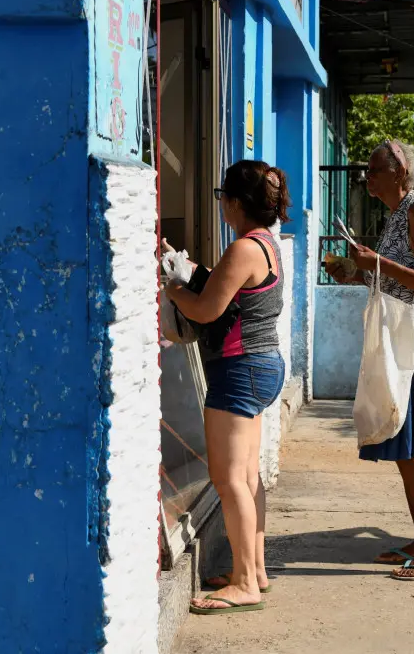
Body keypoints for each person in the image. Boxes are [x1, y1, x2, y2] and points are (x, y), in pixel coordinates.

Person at [326, 140, 414, 581]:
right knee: (405, 447)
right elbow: (398, 282)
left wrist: (376, 262)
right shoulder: (399, 215)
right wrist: (358, 271)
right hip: (403, 340)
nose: (368, 178)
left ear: (400, 172)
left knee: (410, 448)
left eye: (374, 170)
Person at [164, 160, 289, 615]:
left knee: (229, 478)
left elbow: (206, 311)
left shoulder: (243, 249)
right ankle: (254, 570)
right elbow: (225, 290)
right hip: (261, 367)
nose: (220, 205)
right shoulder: (265, 244)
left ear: (235, 202)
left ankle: (243, 583)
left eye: (223, 198)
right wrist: (191, 270)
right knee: (248, 475)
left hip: (238, 372)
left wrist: (172, 288)